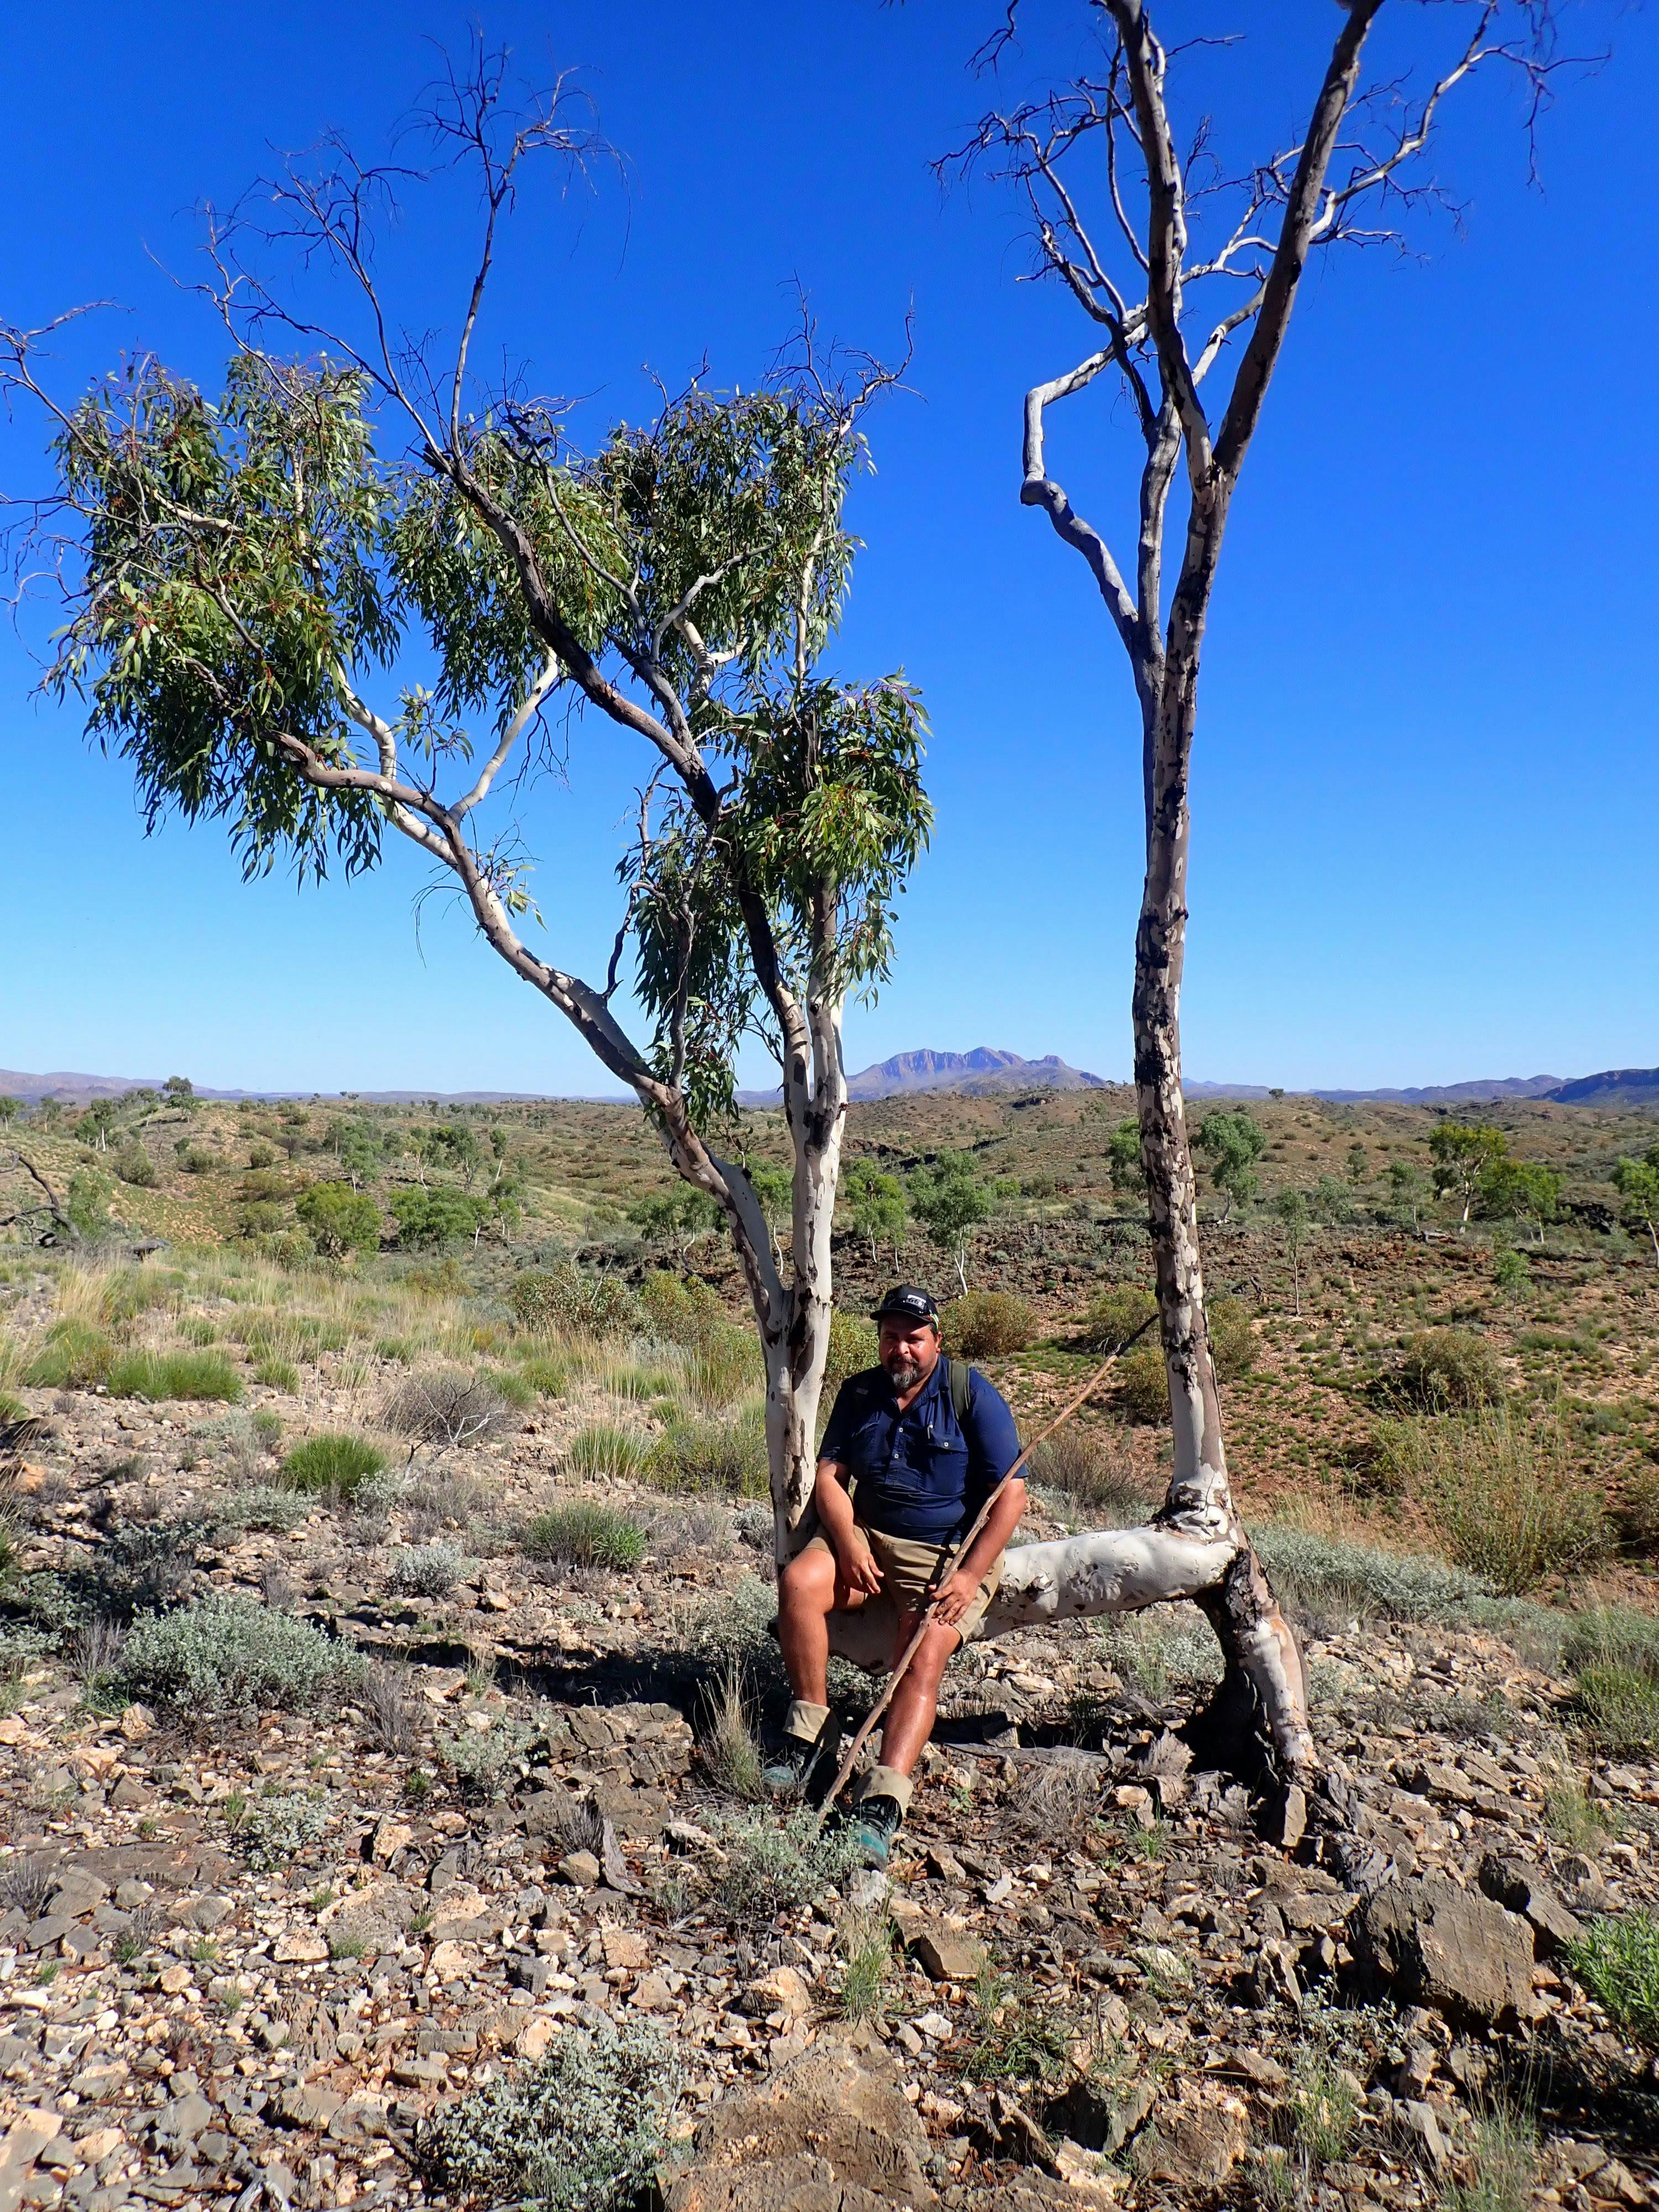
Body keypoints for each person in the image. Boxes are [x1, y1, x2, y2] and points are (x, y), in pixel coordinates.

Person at [765, 1283, 1027, 1864]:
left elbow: (1011, 1496)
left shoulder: (970, 1394)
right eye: (891, 1337)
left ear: (936, 1340)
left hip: (945, 1552)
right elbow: (830, 1478)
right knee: (799, 1584)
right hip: (865, 1534)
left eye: (913, 1338)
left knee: (922, 1651)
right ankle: (810, 1730)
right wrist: (846, 1542)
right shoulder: (861, 1392)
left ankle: (882, 1800)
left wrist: (967, 1577)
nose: (900, 1349)